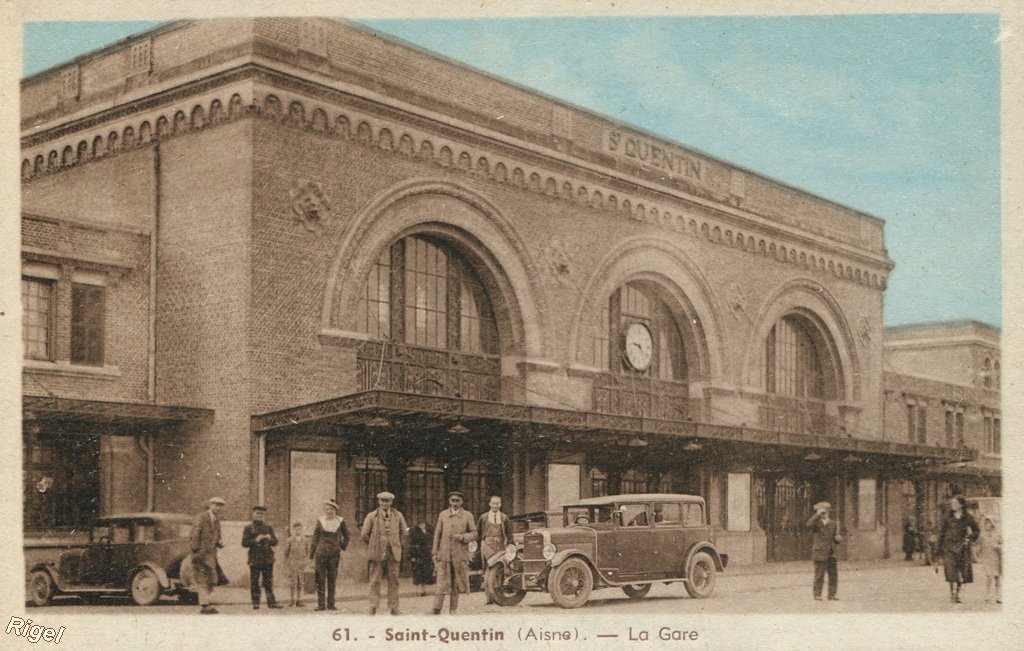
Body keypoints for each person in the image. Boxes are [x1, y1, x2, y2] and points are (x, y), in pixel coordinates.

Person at [361, 491, 409, 615]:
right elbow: (364, 534)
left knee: (394, 580)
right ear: (379, 501)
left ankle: (394, 607)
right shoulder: (372, 516)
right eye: (382, 500)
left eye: (387, 501)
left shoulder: (398, 515)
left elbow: (405, 532)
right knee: (375, 580)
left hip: (393, 553)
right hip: (377, 553)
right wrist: (374, 545)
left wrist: (397, 545)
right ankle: (373, 606)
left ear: (391, 502)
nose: (384, 503)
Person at [431, 490, 477, 615]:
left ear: (462, 502)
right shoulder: (443, 515)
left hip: (459, 554)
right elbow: (437, 534)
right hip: (444, 554)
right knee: (441, 581)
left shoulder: (468, 515)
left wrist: (463, 537)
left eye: (457, 501)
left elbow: (474, 533)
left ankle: (453, 609)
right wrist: (435, 552)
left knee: (456, 583)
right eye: (453, 500)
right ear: (449, 501)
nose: (455, 503)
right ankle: (436, 608)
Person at [937, 494, 980, 603]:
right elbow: (941, 533)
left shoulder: (968, 517)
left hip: (962, 547)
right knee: (951, 570)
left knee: (962, 571)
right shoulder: (947, 517)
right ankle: (952, 593)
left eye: (955, 503)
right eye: (952, 503)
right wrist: (938, 550)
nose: (952, 505)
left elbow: (976, 530)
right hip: (948, 547)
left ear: (961, 505)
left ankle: (957, 593)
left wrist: (969, 538)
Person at [189, 496, 229, 614]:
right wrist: (196, 550)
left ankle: (205, 603)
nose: (218, 508)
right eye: (216, 505)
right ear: (210, 505)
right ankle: (204, 605)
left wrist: (220, 543)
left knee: (211, 579)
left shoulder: (216, 521)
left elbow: (217, 537)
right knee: (202, 579)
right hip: (201, 554)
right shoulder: (201, 517)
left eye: (220, 506)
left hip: (211, 555)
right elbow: (194, 534)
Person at [310, 499, 350, 611]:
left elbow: (347, 536)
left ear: (335, 510)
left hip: (334, 555)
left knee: (332, 578)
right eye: (327, 509)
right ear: (324, 510)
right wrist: (311, 556)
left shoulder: (340, 521)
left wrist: (341, 547)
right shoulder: (320, 521)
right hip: (320, 554)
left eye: (331, 509)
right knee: (320, 579)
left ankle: (331, 604)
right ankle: (321, 604)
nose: (329, 511)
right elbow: (315, 538)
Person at [241, 506, 282, 609]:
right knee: (254, 581)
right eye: (257, 513)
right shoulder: (249, 527)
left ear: (264, 515)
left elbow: (275, 542)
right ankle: (256, 603)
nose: (259, 515)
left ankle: (271, 603)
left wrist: (270, 538)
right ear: (253, 514)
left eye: (262, 514)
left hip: (267, 558)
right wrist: (256, 540)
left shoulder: (268, 527)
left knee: (268, 581)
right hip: (255, 558)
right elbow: (244, 543)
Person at [476, 496, 512, 605]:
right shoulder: (484, 517)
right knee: (489, 570)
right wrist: (478, 546)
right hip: (487, 546)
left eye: (497, 504)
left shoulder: (504, 518)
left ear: (500, 505)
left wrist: (510, 545)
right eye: (493, 503)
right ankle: (489, 597)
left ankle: (499, 596)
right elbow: (478, 532)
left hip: (500, 546)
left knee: (500, 569)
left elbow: (509, 533)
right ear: (490, 504)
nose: (495, 506)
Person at [805, 500, 842, 601]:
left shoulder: (833, 523)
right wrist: (817, 515)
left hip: (831, 553)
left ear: (828, 512)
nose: (823, 514)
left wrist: (838, 539)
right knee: (819, 575)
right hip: (820, 553)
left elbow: (835, 537)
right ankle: (817, 594)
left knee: (833, 575)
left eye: (825, 512)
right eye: (821, 512)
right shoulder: (816, 524)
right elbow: (808, 525)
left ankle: (832, 594)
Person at [283, 522, 311, 607]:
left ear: (302, 529)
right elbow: (286, 552)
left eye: (299, 529)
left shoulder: (305, 540)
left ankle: (299, 600)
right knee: (292, 582)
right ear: (293, 530)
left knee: (300, 582)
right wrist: (287, 562)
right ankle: (292, 600)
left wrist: (306, 562)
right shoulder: (290, 540)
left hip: (302, 564)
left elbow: (307, 551)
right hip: (293, 563)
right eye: (296, 529)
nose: (297, 531)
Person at [976, 515, 1001, 603]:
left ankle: (998, 596)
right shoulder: (982, 534)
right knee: (989, 576)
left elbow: (1002, 544)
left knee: (997, 577)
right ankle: (987, 595)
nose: (987, 524)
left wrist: (997, 546)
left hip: (996, 557)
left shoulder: (997, 533)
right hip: (987, 558)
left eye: (988, 522)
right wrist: (978, 555)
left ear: (992, 524)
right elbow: (978, 544)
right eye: (985, 523)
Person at [409, 521, 435, 595]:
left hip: (426, 555)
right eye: (420, 524)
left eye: (423, 524)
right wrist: (412, 556)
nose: (422, 526)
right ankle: (418, 590)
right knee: (417, 572)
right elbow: (411, 544)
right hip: (417, 554)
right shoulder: (414, 532)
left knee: (425, 572)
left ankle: (424, 589)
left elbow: (430, 542)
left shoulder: (428, 532)